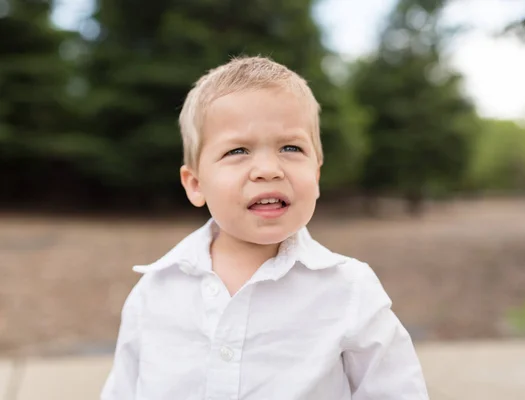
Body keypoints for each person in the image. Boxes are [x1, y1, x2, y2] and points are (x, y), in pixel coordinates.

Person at [101, 56, 429, 400]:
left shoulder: (349, 290)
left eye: (291, 148)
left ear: (316, 175)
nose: (268, 169)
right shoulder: (155, 291)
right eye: (238, 150)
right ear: (196, 184)